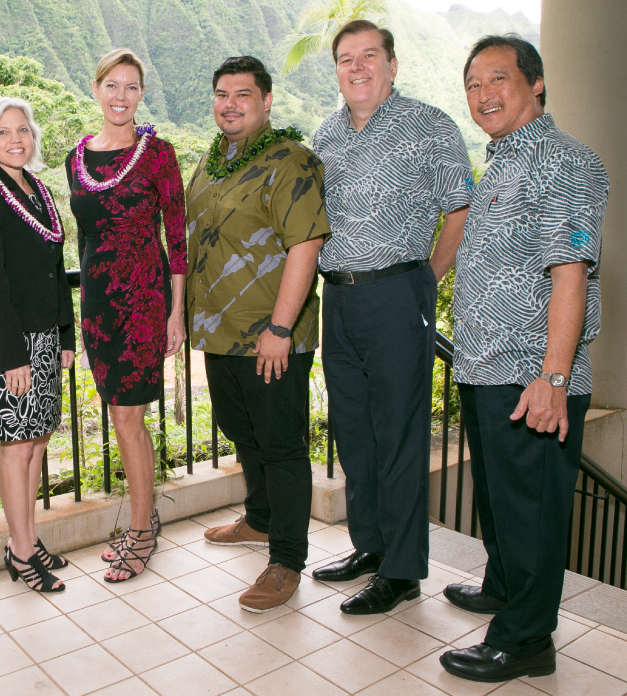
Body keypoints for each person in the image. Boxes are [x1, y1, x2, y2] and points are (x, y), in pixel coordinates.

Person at [440, 35, 608, 683]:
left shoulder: (563, 161)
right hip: (484, 368)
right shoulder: (503, 161)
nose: (484, 94)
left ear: (535, 84)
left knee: (531, 513)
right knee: (501, 503)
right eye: (473, 83)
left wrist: (553, 378)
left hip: (530, 375)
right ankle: (504, 587)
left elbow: (570, 274)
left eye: (498, 78)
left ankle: (526, 640)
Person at [310, 20, 474, 614]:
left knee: (399, 438)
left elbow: (461, 207)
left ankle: (402, 573)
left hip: (397, 294)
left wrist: (427, 278)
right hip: (338, 298)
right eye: (345, 58)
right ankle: (371, 547)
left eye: (369, 56)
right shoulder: (326, 134)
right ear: (336, 71)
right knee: (354, 433)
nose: (357, 67)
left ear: (392, 64)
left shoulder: (429, 125)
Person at [189, 56, 330, 613]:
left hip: (270, 336)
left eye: (243, 95)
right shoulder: (212, 163)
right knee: (242, 433)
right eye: (222, 94)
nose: (230, 105)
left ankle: (287, 561)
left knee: (281, 446)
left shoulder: (291, 160)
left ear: (266, 101)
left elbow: (306, 246)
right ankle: (259, 518)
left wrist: (280, 327)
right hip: (219, 332)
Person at [65, 48, 186, 583]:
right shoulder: (76, 158)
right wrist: (83, 309)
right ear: (96, 89)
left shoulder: (158, 153)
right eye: (111, 85)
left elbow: (176, 239)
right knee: (118, 415)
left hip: (144, 302)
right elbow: (84, 239)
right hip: (97, 305)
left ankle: (141, 531)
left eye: (131, 86)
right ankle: (144, 517)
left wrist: (176, 313)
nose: (120, 95)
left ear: (141, 94)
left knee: (129, 418)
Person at [0, 97, 75, 593]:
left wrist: (65, 334)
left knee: (38, 440)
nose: (15, 139)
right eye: (3, 132)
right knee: (17, 446)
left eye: (22, 130)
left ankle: (25, 540)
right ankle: (22, 552)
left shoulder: (37, 190)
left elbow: (56, 268)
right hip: (9, 344)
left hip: (45, 336)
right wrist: (11, 356)